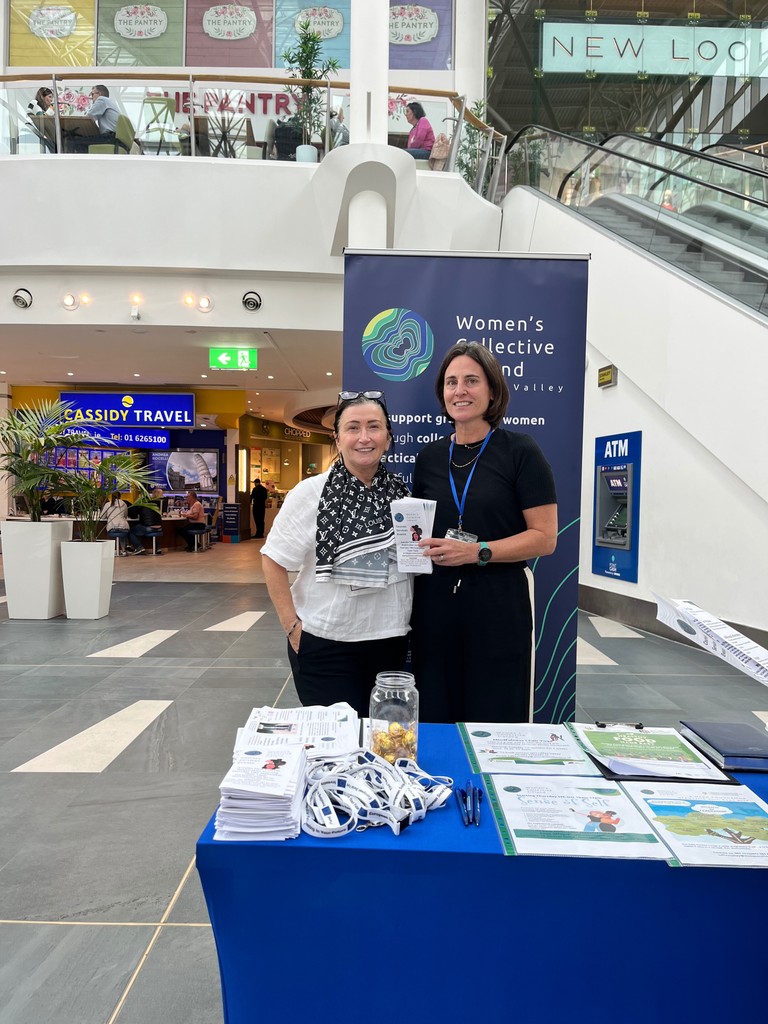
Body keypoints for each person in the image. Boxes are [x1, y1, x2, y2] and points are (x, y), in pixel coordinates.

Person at [411, 341, 558, 724]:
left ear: (492, 390)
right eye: (451, 382)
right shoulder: (428, 459)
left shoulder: (520, 451)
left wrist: (478, 552)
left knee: (494, 713)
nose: (460, 391)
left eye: (471, 381)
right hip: (435, 606)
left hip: (498, 605)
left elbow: (545, 536)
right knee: (436, 712)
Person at [261, 391, 413, 717]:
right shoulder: (311, 493)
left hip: (389, 640)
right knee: (335, 748)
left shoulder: (402, 495)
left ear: (388, 437)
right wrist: (292, 628)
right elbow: (273, 559)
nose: (364, 437)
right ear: (338, 437)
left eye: (374, 427)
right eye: (352, 428)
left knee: (382, 742)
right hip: (326, 643)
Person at [72, 84, 120, 153]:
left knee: (76, 142)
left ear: (99, 93)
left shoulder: (102, 99)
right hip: (114, 138)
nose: (91, 98)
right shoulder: (110, 102)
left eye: (92, 94)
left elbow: (89, 117)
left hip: (110, 137)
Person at [127, 487, 164, 555]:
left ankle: (139, 547)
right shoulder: (154, 503)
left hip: (148, 527)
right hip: (159, 527)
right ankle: (157, 548)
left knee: (131, 531)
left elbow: (133, 514)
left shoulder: (141, 503)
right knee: (144, 532)